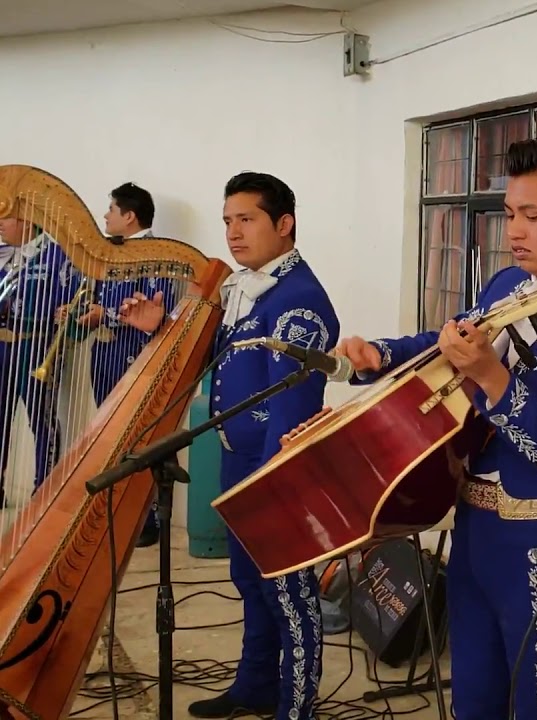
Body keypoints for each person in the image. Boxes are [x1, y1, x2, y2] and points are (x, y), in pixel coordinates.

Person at [329, 138, 537, 720]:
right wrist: (380, 354)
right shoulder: (505, 284)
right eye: (509, 215)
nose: (514, 231)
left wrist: (494, 379)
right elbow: (450, 343)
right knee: (471, 695)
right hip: (472, 521)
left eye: (532, 216)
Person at [120, 172, 337, 720]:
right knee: (249, 581)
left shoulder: (298, 301)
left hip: (273, 471)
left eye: (247, 220)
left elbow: (289, 409)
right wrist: (159, 328)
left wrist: (265, 484)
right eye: (227, 221)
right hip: (238, 462)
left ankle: (297, 706)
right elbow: (217, 362)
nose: (233, 233)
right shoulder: (246, 286)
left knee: (288, 593)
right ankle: (256, 685)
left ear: (283, 224)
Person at [63, 181, 176, 546]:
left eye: (110, 210)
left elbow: (160, 308)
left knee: (145, 438)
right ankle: (122, 514)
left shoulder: (160, 255)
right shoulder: (110, 255)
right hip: (106, 359)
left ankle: (149, 520)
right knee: (113, 439)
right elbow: (97, 300)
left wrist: (105, 315)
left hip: (138, 359)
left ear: (129, 216)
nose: (105, 217)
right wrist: (77, 311)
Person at [0, 216, 79, 508]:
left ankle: (43, 489)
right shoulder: (4, 255)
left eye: (6, 216)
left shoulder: (58, 255)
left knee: (41, 419)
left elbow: (74, 302)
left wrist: (67, 311)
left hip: (35, 345)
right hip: (2, 345)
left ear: (27, 219)